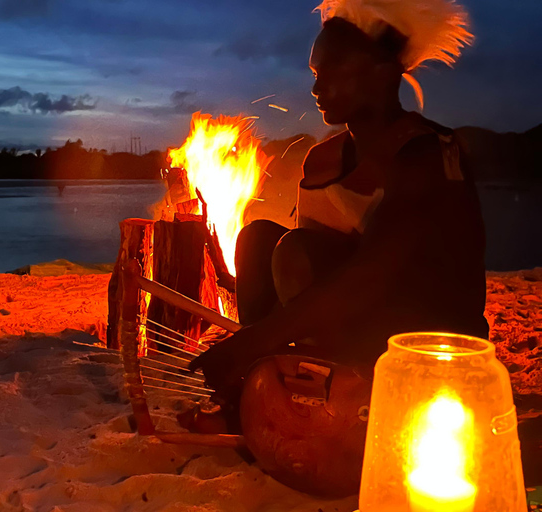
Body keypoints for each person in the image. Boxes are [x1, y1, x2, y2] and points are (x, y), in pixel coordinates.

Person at [189, 0, 489, 405]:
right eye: (315, 73)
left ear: (383, 74)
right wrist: (255, 331)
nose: (316, 88)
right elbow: (301, 273)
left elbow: (371, 274)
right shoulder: (324, 161)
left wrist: (252, 341)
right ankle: (262, 386)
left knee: (293, 250)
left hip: (427, 336)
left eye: (332, 72)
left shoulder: (429, 155)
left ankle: (322, 397)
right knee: (258, 238)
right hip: (363, 322)